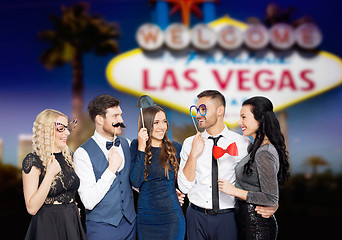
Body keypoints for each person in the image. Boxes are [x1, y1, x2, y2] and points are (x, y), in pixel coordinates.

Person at [178, 90, 279, 240]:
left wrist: (273, 203)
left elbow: (260, 179)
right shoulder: (189, 143)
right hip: (195, 216)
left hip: (229, 217)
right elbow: (184, 187)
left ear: (220, 111)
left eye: (203, 109)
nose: (198, 114)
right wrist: (193, 154)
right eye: (197, 109)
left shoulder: (243, 143)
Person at [218, 96, 290, 240]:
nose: (240, 122)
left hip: (257, 226)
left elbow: (271, 197)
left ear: (260, 119)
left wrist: (234, 191)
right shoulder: (256, 148)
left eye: (244, 117)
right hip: (249, 222)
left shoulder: (264, 152)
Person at [74, 95, 136, 240]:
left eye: (120, 115)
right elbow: (88, 202)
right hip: (101, 228)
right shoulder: (82, 153)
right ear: (99, 119)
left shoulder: (127, 143)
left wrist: (165, 191)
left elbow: (133, 182)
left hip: (130, 225)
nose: (121, 120)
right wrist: (111, 169)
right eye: (115, 116)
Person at [22, 109, 87, 240]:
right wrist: (50, 174)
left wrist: (72, 208)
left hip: (71, 222)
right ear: (46, 131)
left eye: (67, 127)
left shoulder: (69, 157)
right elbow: (32, 208)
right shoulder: (33, 160)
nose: (67, 133)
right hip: (48, 225)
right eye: (61, 129)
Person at [130, 105, 186, 240]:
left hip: (172, 219)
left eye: (164, 121)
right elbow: (135, 181)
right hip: (146, 219)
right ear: (146, 125)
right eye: (156, 122)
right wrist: (142, 148)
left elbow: (185, 180)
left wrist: (177, 190)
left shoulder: (176, 148)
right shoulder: (135, 145)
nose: (162, 126)